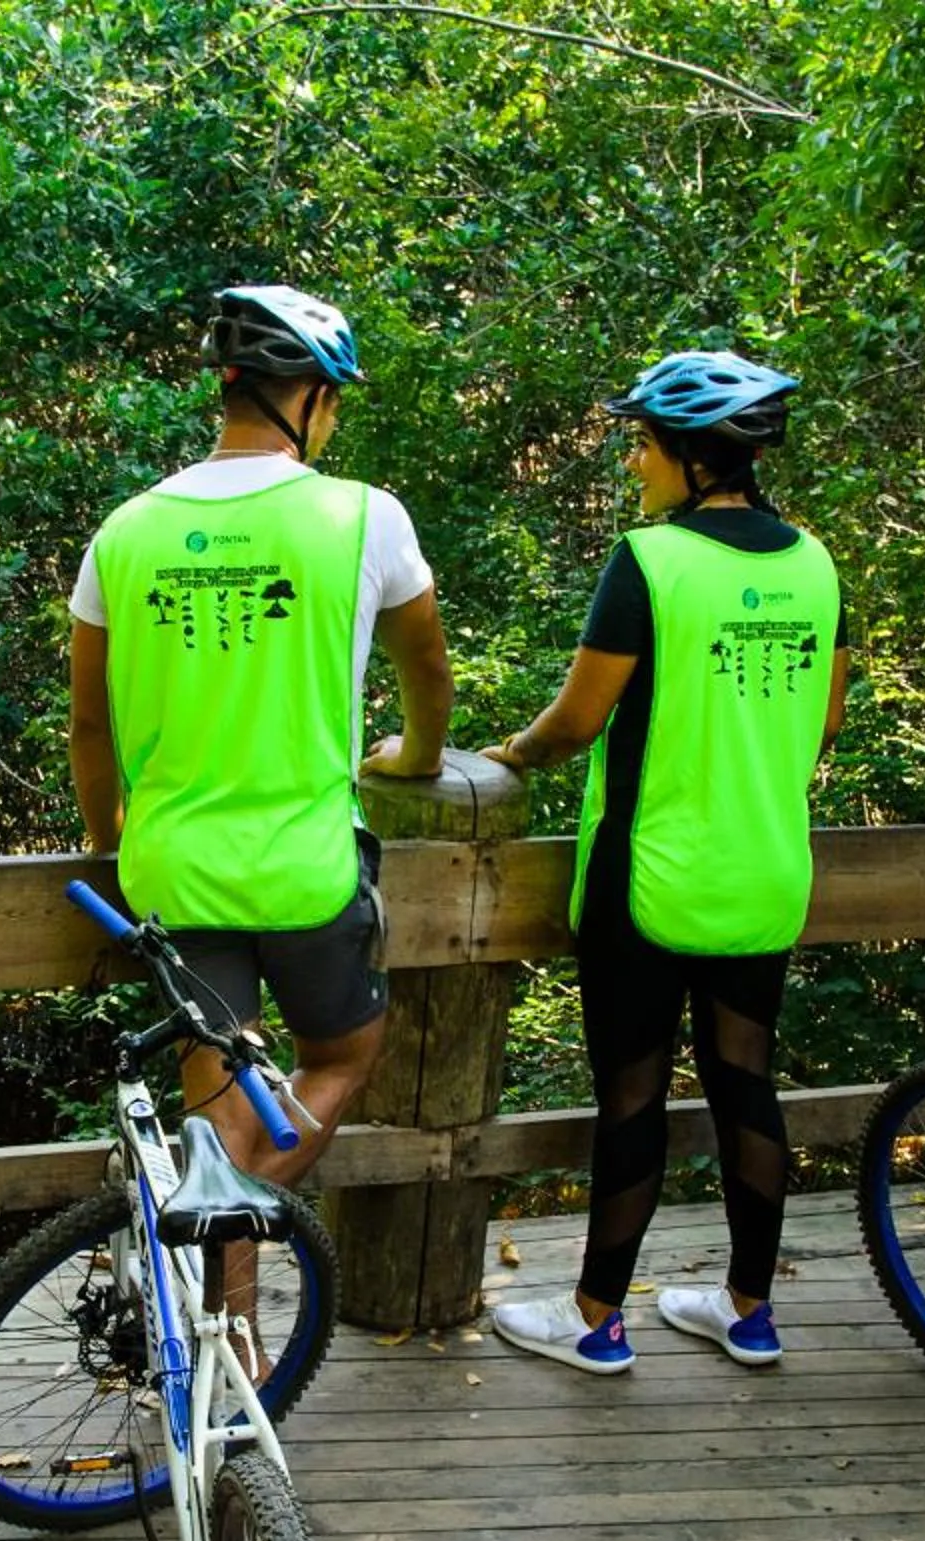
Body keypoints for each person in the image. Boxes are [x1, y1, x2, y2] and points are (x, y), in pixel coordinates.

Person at [482, 350, 848, 1374]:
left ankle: (598, 1319)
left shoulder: (650, 563)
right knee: (746, 1083)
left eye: (644, 444)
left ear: (692, 457)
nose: (634, 461)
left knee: (634, 1097)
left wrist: (511, 754)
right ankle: (749, 1312)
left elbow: (578, 719)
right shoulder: (814, 565)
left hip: (646, 879)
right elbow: (825, 719)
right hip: (766, 872)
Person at [68, 283, 454, 1193]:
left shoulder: (125, 532)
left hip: (173, 870)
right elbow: (426, 674)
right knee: (346, 1051)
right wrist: (420, 756)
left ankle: (212, 1315)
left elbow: (90, 722)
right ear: (311, 399)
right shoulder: (364, 516)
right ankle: (233, 1253)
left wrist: (109, 841)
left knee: (215, 1115)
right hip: (305, 868)